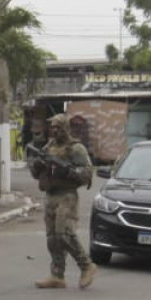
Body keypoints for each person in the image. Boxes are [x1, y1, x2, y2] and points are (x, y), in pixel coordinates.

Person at [27, 113, 96, 290]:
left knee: (63, 234)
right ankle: (57, 275)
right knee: (52, 238)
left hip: (67, 195)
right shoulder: (48, 147)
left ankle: (86, 265)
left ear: (65, 128)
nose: (55, 131)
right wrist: (37, 166)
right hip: (50, 194)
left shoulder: (76, 148)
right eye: (53, 127)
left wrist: (68, 171)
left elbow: (87, 173)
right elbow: (35, 172)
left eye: (58, 127)